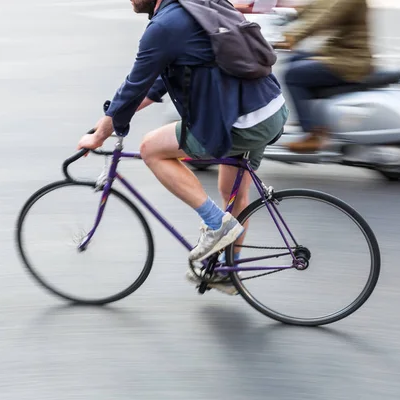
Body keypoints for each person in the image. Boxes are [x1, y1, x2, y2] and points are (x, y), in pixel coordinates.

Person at [77, 0, 289, 294]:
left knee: (151, 148)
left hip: (243, 121)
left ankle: (216, 225)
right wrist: (113, 118)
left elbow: (133, 86)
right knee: (233, 193)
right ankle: (230, 272)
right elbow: (153, 86)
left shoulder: (163, 27)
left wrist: (100, 135)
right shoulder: (195, 5)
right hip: (269, 109)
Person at [274, 0, 374, 152]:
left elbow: (325, 18)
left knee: (293, 74)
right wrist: (285, 14)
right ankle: (315, 118)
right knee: (294, 58)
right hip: (337, 53)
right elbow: (318, 7)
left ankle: (314, 134)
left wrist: (293, 37)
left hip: (351, 60)